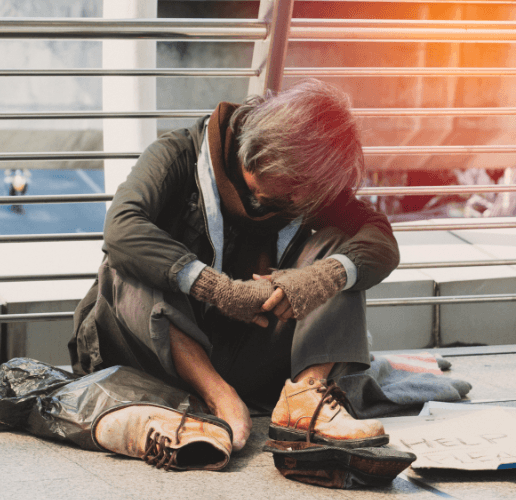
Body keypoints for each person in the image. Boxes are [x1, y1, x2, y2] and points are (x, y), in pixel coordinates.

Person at [68, 79, 400, 454]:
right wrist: (219, 291)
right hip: (157, 351)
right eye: (298, 183)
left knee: (344, 252)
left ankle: (306, 401)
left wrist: (324, 277)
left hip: (251, 355)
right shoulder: (177, 154)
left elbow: (381, 239)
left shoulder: (307, 186)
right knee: (127, 259)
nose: (304, 197)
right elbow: (121, 227)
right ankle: (219, 398)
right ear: (266, 153)